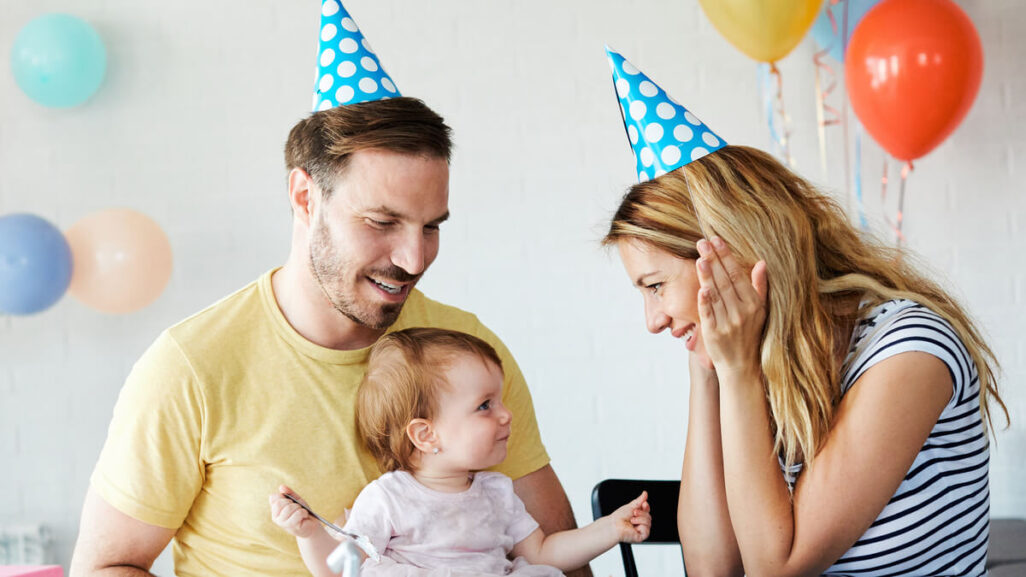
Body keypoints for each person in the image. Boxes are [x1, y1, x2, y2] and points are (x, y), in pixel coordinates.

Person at [69, 4, 585, 576]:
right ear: (304, 198)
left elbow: (559, 555)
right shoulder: (192, 366)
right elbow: (105, 566)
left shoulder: (467, 348)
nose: (415, 258)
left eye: (431, 225)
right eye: (382, 222)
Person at [601, 47, 1008, 577]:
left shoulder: (909, 349)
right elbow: (709, 569)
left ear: (729, 253)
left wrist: (739, 372)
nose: (652, 320)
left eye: (655, 286)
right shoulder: (757, 356)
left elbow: (778, 566)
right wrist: (709, 376)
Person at [270, 328, 652, 576]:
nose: (506, 415)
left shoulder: (496, 493)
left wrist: (610, 529)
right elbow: (343, 569)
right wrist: (309, 534)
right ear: (426, 434)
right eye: (485, 405)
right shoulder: (389, 498)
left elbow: (543, 553)